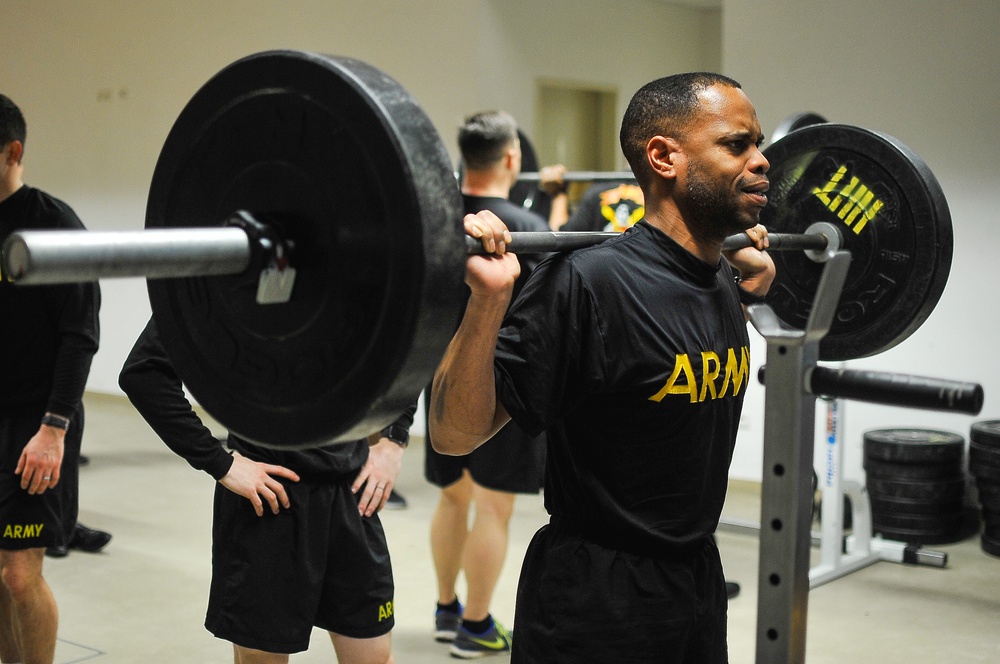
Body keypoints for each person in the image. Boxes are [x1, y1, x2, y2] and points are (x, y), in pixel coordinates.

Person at [429, 73, 775, 663]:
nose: (763, 161)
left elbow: (668, 360)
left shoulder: (719, 278)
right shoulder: (586, 282)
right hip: (597, 601)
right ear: (663, 157)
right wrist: (489, 300)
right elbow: (454, 433)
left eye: (758, 143)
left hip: (695, 581)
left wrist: (744, 297)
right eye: (737, 144)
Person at [119, 318, 414, 664]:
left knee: (374, 657)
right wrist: (220, 462)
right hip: (269, 501)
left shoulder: (362, 270)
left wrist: (394, 438)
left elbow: (409, 345)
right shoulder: (228, 280)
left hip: (350, 495)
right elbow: (144, 371)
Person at [424, 110, 548, 659]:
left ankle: (447, 609)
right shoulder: (525, 228)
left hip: (441, 383)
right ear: (513, 157)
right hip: (501, 388)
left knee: (454, 500)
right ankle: (476, 625)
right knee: (493, 509)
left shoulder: (436, 220)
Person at [0, 93, 101, 664]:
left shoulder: (55, 226)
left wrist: (54, 428)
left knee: (19, 574)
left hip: (35, 423)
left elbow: (80, 334)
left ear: (13, 152)